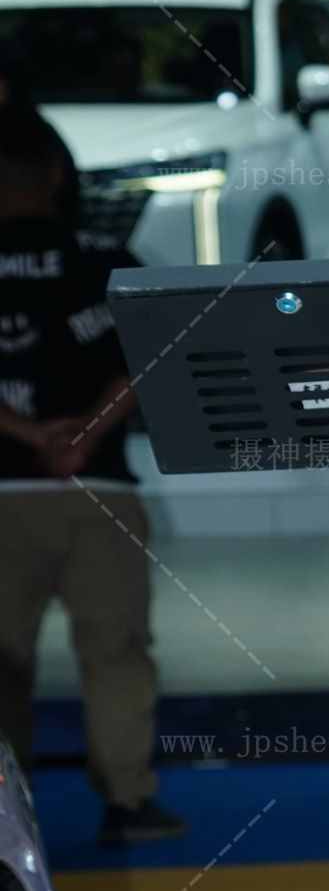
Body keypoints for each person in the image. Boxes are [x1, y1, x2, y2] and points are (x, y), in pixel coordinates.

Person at [0, 104, 184, 844]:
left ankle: (7, 823)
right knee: (117, 654)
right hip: (99, 490)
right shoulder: (106, 260)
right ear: (56, 175)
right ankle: (129, 802)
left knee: (2, 664)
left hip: (4, 495)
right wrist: (82, 436)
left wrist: (25, 433)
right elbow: (146, 360)